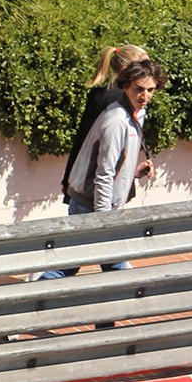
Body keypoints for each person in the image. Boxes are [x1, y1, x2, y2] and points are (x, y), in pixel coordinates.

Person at [42, 58, 167, 283]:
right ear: (126, 86)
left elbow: (115, 164)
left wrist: (135, 171)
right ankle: (32, 304)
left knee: (90, 271)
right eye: (139, 89)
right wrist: (104, 221)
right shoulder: (117, 120)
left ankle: (102, 318)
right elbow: (104, 173)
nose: (145, 96)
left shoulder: (134, 115)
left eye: (151, 90)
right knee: (103, 274)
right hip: (92, 208)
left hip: (101, 207)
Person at [61, 45, 150, 203]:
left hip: (100, 194)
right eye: (142, 67)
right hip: (96, 197)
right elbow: (104, 162)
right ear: (125, 69)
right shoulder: (116, 103)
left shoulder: (109, 96)